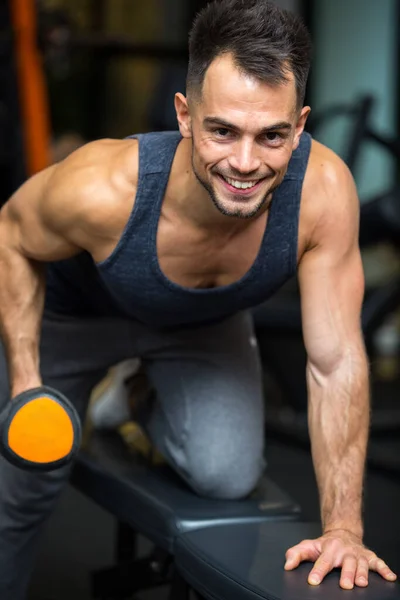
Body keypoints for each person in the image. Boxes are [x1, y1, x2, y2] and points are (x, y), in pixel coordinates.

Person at [0, 0, 396, 597]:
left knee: (226, 475)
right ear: (185, 115)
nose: (244, 163)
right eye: (221, 130)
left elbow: (335, 361)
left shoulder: (323, 193)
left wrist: (344, 527)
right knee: (19, 490)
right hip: (79, 315)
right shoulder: (102, 187)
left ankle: (131, 392)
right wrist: (26, 381)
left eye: (272, 136)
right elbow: (10, 233)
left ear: (301, 124)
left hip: (202, 323)